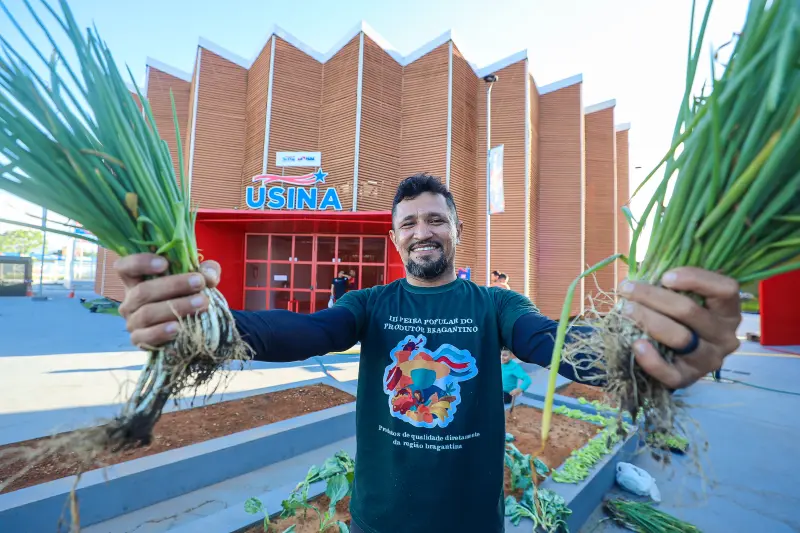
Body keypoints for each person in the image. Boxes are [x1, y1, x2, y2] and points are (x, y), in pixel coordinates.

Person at [117, 172, 742, 533]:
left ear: (455, 232)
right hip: (380, 517)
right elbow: (305, 333)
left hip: (472, 521)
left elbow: (550, 344)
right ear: (395, 239)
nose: (423, 231)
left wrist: (640, 348)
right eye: (410, 223)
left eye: (435, 220)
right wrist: (206, 322)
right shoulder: (369, 305)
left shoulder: (495, 307)